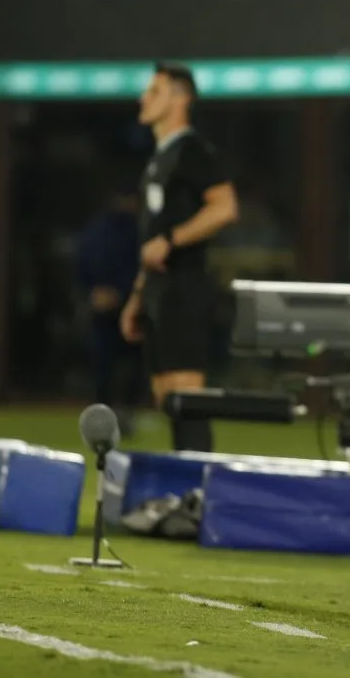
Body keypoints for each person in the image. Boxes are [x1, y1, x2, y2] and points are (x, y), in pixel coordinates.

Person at [119, 62, 239, 452]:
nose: (143, 98)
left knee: (187, 400)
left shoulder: (193, 151)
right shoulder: (159, 159)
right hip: (158, 290)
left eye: (153, 92)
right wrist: (139, 295)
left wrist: (172, 241)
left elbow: (224, 207)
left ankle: (198, 499)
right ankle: (178, 498)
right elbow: (150, 240)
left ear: (179, 98)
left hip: (185, 288)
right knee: (166, 399)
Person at [77, 180, 145, 432]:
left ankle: (123, 414)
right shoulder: (102, 229)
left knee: (130, 367)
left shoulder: (136, 230)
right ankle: (103, 417)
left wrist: (116, 291)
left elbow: (143, 267)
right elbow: (84, 262)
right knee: (105, 366)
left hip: (129, 305)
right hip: (108, 311)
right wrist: (94, 291)